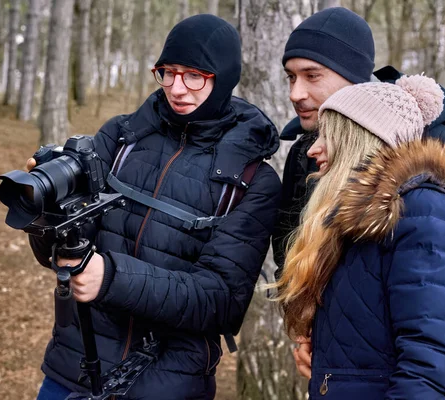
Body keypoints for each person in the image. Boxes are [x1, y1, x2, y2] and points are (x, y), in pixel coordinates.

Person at [26, 14, 282, 400]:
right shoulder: (120, 137)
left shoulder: (252, 178)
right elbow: (60, 252)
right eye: (168, 72)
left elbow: (221, 301)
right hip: (74, 367)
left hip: (167, 384)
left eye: (194, 75)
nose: (177, 88)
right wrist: (46, 213)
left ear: (224, 77)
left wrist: (110, 278)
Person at [275, 73, 445, 398]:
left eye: (329, 135)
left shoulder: (422, 213)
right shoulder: (359, 224)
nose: (315, 149)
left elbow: (430, 372)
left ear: (360, 139)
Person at [272, 7, 445, 276]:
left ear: (353, 76)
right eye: (291, 77)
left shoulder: (428, 148)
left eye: (312, 75)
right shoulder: (303, 151)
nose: (295, 93)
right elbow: (287, 256)